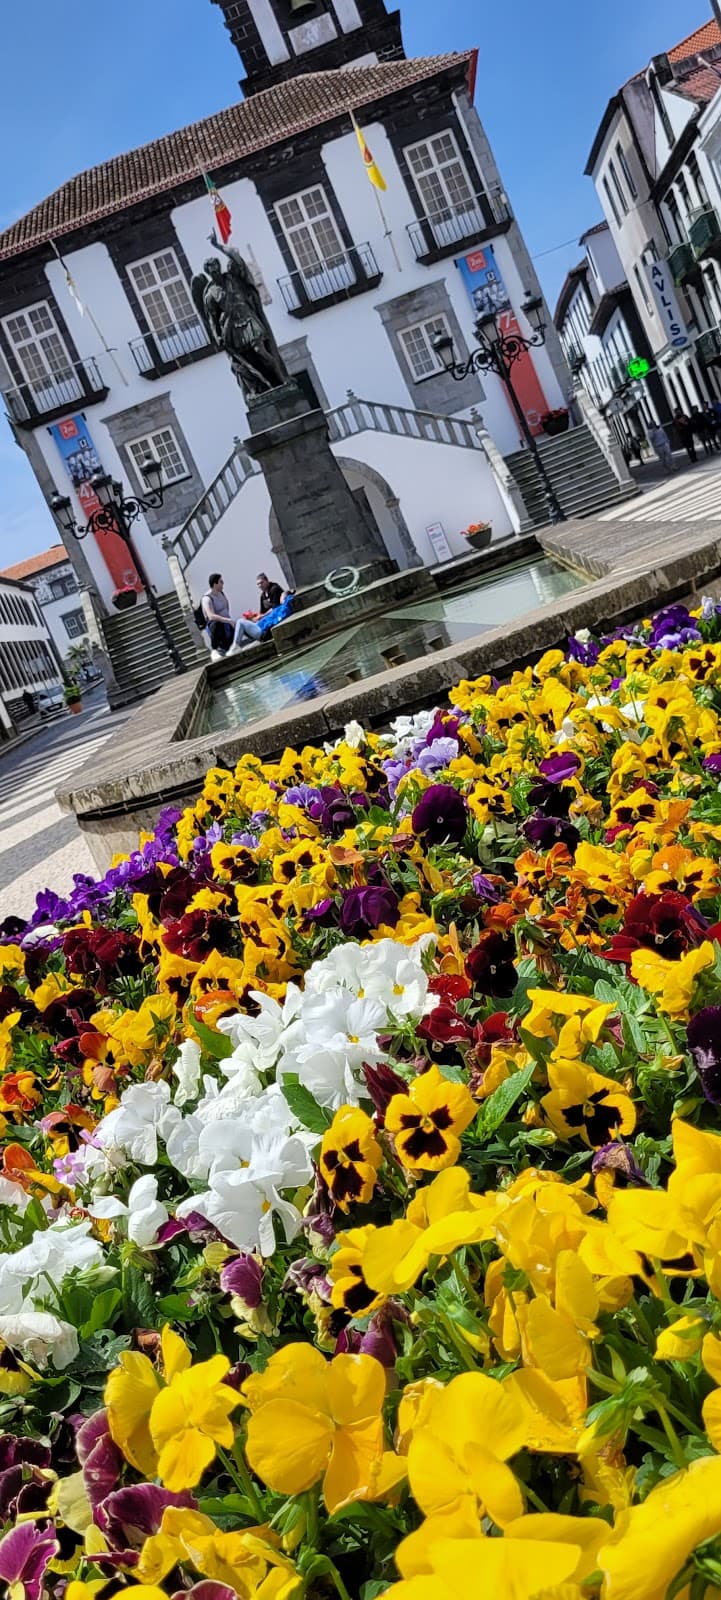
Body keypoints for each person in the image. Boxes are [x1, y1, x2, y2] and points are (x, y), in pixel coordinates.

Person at [201, 573, 261, 661]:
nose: (223, 583)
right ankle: (215, 650)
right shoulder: (207, 599)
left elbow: (226, 608)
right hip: (218, 629)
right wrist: (228, 620)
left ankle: (256, 638)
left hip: (227, 626)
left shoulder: (221, 593)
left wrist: (229, 621)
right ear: (215, 584)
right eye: (221, 582)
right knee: (215, 623)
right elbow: (211, 616)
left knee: (241, 623)